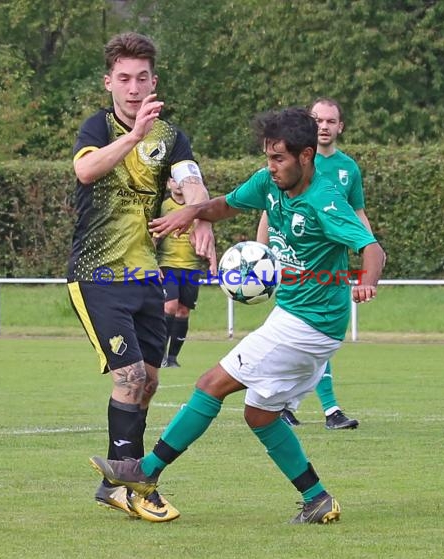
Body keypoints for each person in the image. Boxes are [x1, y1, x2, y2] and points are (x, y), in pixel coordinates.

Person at [88, 107, 385, 524]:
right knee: (259, 414)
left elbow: (372, 248)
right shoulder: (269, 183)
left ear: (305, 156)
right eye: (267, 157)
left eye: (279, 158)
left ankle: (145, 471)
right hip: (297, 318)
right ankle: (317, 498)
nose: (271, 167)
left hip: (311, 324)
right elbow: (225, 205)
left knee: (211, 384)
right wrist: (189, 213)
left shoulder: (325, 202)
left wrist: (367, 281)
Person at [67, 31, 214, 522]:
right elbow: (87, 174)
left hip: (146, 275)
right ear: (109, 82)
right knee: (127, 375)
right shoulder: (96, 127)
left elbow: (193, 185)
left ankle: (116, 483)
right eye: (124, 79)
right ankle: (128, 481)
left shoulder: (171, 136)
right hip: (97, 274)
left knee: (148, 381)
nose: (133, 88)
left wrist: (202, 217)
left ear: (154, 80)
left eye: (142, 78)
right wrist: (130, 138)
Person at [257, 97, 375, 430]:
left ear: (340, 127)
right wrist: (261, 255)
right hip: (294, 263)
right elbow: (270, 208)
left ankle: (289, 405)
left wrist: (370, 252)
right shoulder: (293, 162)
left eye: (330, 121)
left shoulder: (347, 168)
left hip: (329, 264)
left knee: (315, 339)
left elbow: (357, 213)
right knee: (309, 337)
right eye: (317, 120)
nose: (323, 126)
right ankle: (325, 409)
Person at [158, 177, 214, 368]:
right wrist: (151, 261)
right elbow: (152, 234)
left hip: (191, 268)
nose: (177, 183)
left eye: (180, 180)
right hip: (167, 265)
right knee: (170, 307)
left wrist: (213, 262)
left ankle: (173, 358)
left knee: (183, 311)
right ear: (168, 184)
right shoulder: (163, 206)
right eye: (172, 180)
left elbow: (207, 234)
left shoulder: (196, 207)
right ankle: (160, 354)